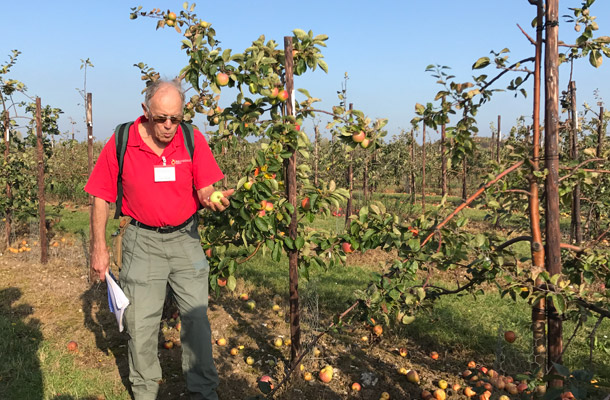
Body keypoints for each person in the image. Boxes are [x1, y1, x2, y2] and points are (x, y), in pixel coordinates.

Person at [85, 78, 232, 400]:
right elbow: (100, 196)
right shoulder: (122, 140)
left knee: (196, 320)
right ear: (145, 111)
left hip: (185, 238)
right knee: (141, 324)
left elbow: (205, 185)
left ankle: (203, 391)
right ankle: (144, 391)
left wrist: (210, 197)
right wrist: (100, 249)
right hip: (142, 240)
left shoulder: (192, 139)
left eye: (175, 119)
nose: (167, 126)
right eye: (160, 118)